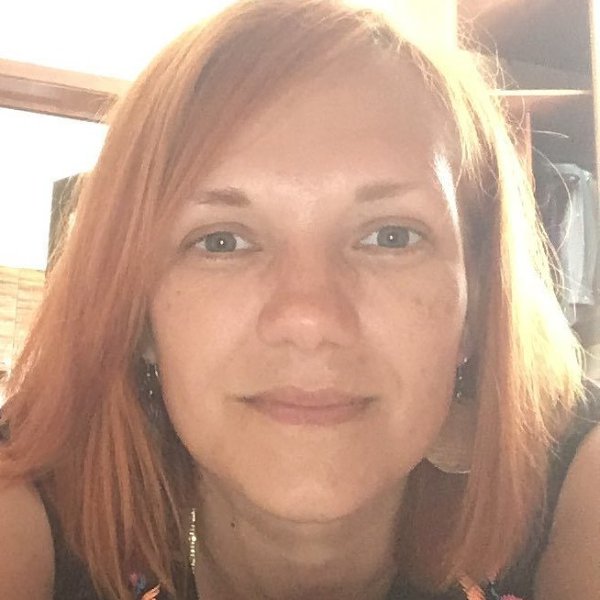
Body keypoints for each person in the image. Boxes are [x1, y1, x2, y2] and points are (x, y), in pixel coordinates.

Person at [0, 1, 599, 599]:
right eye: (221, 241)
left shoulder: (577, 479)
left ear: (475, 301)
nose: (309, 318)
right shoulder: (28, 500)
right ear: (140, 314)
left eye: (391, 236)